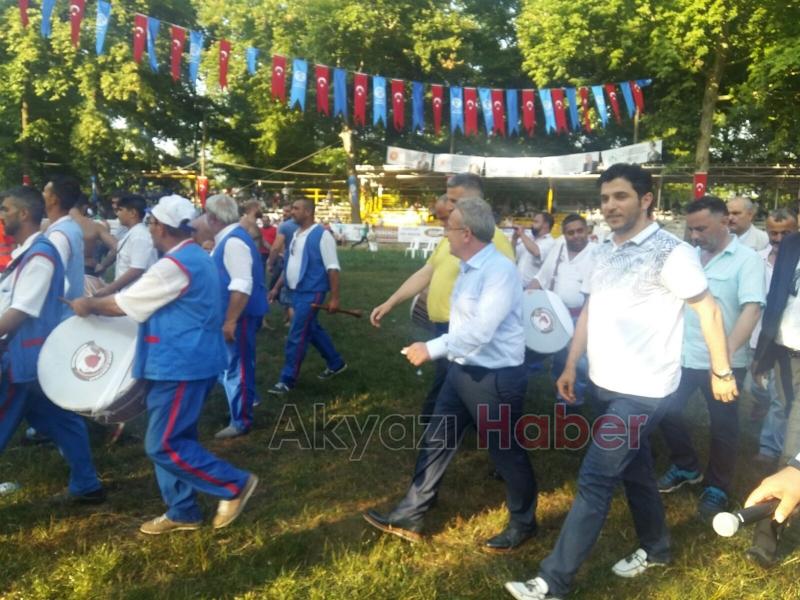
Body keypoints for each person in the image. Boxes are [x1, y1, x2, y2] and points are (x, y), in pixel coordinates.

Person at [505, 163, 736, 600]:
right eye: (606, 197)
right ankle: (657, 547)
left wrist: (721, 371)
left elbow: (708, 310)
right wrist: (572, 364)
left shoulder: (672, 252)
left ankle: (553, 582)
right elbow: (592, 310)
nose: (610, 205)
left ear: (646, 199)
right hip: (603, 383)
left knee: (595, 478)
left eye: (621, 196)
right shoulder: (604, 249)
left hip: (645, 392)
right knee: (637, 472)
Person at [66, 194, 258, 535]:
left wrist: (89, 304)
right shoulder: (194, 256)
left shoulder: (175, 265)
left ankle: (233, 485)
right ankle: (182, 510)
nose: (149, 228)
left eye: (151, 222)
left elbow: (124, 304)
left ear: (160, 226)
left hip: (181, 364)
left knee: (163, 443)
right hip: (179, 361)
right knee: (174, 436)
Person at [363, 197, 538, 552]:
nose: (445, 233)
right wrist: (441, 347)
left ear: (467, 234)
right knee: (437, 440)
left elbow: (481, 330)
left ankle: (524, 522)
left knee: (506, 453)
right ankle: (412, 513)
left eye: (449, 227)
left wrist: (431, 349)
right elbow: (463, 327)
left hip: (495, 380)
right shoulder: (468, 266)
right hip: (462, 371)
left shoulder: (499, 272)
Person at [656, 196, 764, 518]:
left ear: (725, 222)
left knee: (723, 426)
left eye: (701, 228)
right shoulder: (687, 256)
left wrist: (723, 360)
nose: (694, 235)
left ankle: (717, 487)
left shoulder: (747, 260)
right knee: (665, 410)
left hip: (725, 363)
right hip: (683, 356)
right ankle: (686, 466)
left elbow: (752, 309)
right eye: (691, 229)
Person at [370, 176, 515, 417]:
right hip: (443, 326)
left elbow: (503, 288)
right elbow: (426, 272)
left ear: (475, 200)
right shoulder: (453, 234)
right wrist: (390, 302)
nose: (448, 206)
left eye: (454, 200)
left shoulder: (495, 239)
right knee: (451, 381)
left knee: (453, 384)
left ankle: (441, 425)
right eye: (448, 199)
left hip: (464, 329)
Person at [0, 186, 105, 503]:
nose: (0, 215)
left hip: (21, 360)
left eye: (5, 209)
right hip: (31, 358)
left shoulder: (40, 256)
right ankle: (87, 485)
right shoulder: (29, 253)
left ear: (23, 214)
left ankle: (87, 485)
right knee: (61, 420)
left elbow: (20, 311)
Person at [204, 194, 268, 438]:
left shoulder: (232, 242)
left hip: (238, 317)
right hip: (235, 315)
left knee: (236, 366)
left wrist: (230, 320)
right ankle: (247, 400)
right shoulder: (230, 239)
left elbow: (242, 284)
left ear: (212, 217)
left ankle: (241, 420)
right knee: (233, 365)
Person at [267, 198, 346, 394]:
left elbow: (333, 268)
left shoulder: (322, 235)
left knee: (296, 335)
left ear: (308, 212)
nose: (291, 212)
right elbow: (290, 265)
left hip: (312, 292)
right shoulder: (295, 234)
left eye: (296, 208)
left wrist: (335, 298)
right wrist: (277, 287)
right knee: (311, 329)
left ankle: (287, 380)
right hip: (296, 291)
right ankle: (336, 363)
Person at [529, 213, 597, 406]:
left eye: (580, 231)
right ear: (564, 234)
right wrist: (525, 299)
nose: (576, 236)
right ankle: (561, 395)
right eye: (570, 232)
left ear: (587, 231)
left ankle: (575, 400)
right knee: (559, 360)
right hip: (556, 316)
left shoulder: (596, 253)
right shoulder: (559, 248)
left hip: (581, 318)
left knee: (579, 362)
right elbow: (541, 278)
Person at [752, 210, 798, 465]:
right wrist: (764, 352)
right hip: (785, 343)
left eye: (784, 232)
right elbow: (776, 299)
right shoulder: (791, 247)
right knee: (781, 402)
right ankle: (771, 449)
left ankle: (788, 465)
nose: (778, 238)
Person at [93, 194, 157, 295]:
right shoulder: (134, 233)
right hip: (128, 293)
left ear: (132, 213)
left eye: (120, 210)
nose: (117, 214)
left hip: (136, 295)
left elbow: (136, 269)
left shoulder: (139, 236)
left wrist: (109, 289)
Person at [43, 175, 85, 305]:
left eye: (45, 191)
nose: (42, 195)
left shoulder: (58, 235)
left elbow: (50, 278)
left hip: (58, 315)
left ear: (53, 200)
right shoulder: (71, 227)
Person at [267, 205, 299, 326]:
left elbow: (276, 247)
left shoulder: (284, 226)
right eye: (283, 211)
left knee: (284, 291)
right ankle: (288, 317)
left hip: (285, 261)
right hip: (299, 263)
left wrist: (270, 263)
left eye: (287, 211)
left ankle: (291, 321)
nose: (284, 213)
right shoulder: (306, 225)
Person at [70, 195, 118, 274]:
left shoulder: (53, 224)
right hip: (87, 268)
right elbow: (116, 247)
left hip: (62, 269)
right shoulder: (94, 226)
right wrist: (103, 265)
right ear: (85, 207)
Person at [513, 211, 555, 288]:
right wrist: (514, 239)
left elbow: (536, 252)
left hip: (533, 290)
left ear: (546, 224)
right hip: (517, 286)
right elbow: (513, 255)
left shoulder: (550, 242)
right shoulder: (530, 239)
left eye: (536, 222)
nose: (532, 224)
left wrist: (522, 234)